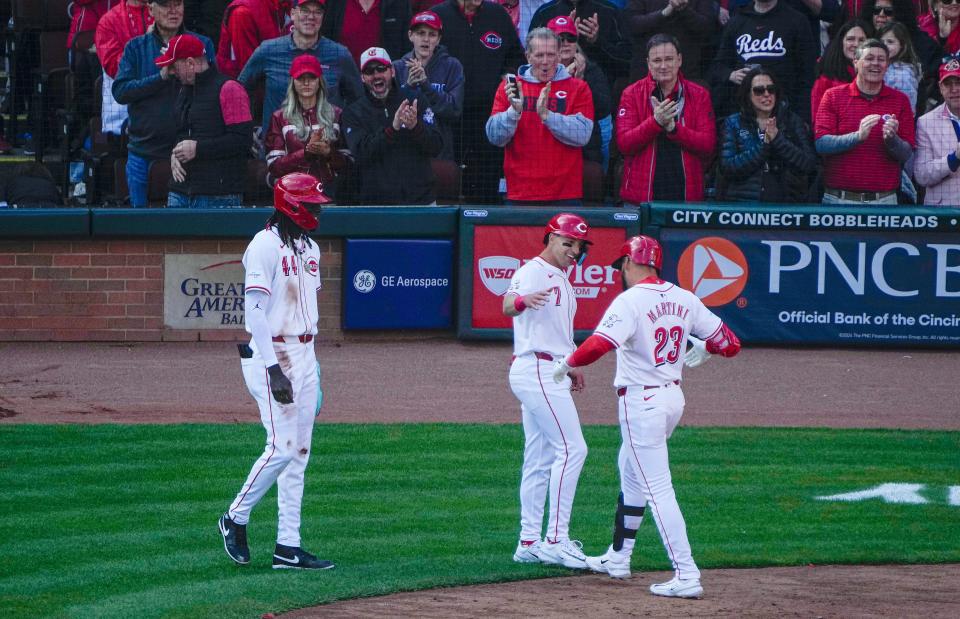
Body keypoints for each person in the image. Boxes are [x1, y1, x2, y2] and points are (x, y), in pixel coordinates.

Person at [551, 235, 741, 596]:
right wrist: (706, 348)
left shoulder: (630, 301)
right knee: (632, 474)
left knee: (658, 489)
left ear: (627, 263)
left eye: (620, 267)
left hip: (642, 404)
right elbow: (730, 343)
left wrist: (566, 363)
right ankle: (619, 557)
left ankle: (687, 575)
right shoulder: (685, 298)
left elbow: (598, 345)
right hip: (671, 400)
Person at [218, 171, 335, 571]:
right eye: (312, 205)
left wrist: (313, 367)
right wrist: (274, 370)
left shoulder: (310, 248)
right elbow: (254, 313)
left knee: (299, 454)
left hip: (305, 355)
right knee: (281, 447)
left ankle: (288, 547)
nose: (318, 210)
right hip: (273, 356)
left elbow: (305, 312)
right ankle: (235, 516)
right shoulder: (263, 245)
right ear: (292, 205)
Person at [505, 213, 592, 570]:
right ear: (550, 238)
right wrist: (524, 300)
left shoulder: (561, 277)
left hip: (548, 369)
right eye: (567, 242)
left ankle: (528, 542)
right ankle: (556, 539)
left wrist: (567, 364)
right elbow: (507, 305)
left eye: (578, 246)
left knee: (540, 460)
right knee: (573, 449)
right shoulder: (533, 271)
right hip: (535, 370)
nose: (574, 251)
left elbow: (554, 333)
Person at [113, 0, 216, 207]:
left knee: (188, 229)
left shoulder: (201, 44)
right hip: (144, 152)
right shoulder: (135, 47)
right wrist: (160, 78)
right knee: (141, 228)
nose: (173, 11)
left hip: (190, 153)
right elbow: (120, 92)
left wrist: (186, 72)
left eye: (177, 4)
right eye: (165, 5)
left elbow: (214, 90)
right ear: (150, 9)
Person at [486, 27, 594, 205]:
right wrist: (513, 112)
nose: (545, 61)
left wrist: (547, 116)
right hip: (519, 191)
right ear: (528, 56)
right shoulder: (510, 87)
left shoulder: (578, 88)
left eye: (551, 55)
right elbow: (494, 137)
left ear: (559, 55)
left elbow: (582, 135)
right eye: (539, 55)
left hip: (564, 193)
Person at [432, 0, 525, 203]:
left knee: (485, 183)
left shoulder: (498, 15)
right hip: (447, 114)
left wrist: (506, 76)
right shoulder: (438, 15)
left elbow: (517, 58)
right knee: (446, 180)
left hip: (487, 113)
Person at [239, 0, 364, 135]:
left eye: (317, 12)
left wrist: (348, 135)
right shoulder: (268, 50)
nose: (311, 17)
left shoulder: (340, 54)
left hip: (326, 148)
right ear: (292, 14)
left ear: (323, 17)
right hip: (278, 148)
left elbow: (358, 100)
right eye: (305, 10)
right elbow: (240, 90)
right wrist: (246, 131)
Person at [617, 34, 717, 204]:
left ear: (679, 60)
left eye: (669, 59)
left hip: (687, 198)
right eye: (657, 61)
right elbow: (624, 144)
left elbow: (708, 145)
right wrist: (655, 123)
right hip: (640, 200)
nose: (663, 66)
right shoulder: (631, 93)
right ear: (648, 64)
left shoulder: (700, 95)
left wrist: (674, 129)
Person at [815, 39, 916, 204]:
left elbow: (906, 153)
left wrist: (892, 140)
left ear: (887, 65)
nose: (875, 63)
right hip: (839, 200)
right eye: (869, 58)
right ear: (856, 62)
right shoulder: (833, 96)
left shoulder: (900, 100)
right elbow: (821, 144)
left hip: (884, 200)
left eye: (881, 59)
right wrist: (857, 137)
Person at [160, 34, 255, 207]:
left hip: (218, 194)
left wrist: (198, 149)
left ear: (190, 63)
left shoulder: (230, 89)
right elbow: (182, 133)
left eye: (174, 66)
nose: (171, 72)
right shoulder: (182, 90)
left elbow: (243, 141)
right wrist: (175, 153)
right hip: (179, 191)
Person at [341, 47, 443, 204]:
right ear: (362, 77)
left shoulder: (415, 99)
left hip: (421, 201)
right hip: (376, 206)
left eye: (381, 69)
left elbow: (436, 146)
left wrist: (415, 127)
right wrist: (392, 129)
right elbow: (361, 153)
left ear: (392, 71)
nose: (376, 75)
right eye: (369, 72)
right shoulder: (353, 112)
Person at [708, 0, 817, 124]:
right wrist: (731, 75)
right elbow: (718, 66)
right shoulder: (737, 21)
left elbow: (808, 73)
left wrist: (801, 117)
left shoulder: (797, 20)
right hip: (744, 111)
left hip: (785, 110)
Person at [719, 67, 818, 201]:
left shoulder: (792, 121)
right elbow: (728, 168)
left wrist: (778, 140)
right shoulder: (733, 123)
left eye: (771, 89)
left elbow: (808, 164)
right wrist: (764, 147)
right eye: (759, 91)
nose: (766, 94)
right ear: (748, 94)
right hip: (744, 205)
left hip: (786, 206)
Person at [265, 55, 350, 197]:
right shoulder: (279, 117)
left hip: (331, 195)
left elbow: (350, 163)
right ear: (293, 82)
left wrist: (329, 153)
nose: (306, 82)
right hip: (292, 196)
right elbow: (274, 166)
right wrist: (305, 153)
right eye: (300, 78)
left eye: (311, 77)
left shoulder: (337, 114)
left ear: (319, 81)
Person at [391, 11, 465, 161]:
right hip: (403, 153)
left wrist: (426, 85)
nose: (426, 39)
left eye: (432, 34)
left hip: (439, 154)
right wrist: (408, 87)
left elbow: (455, 110)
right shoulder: (397, 67)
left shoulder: (452, 66)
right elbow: (387, 111)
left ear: (438, 39)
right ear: (410, 35)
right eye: (420, 33)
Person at [548, 15, 611, 170]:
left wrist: (580, 82)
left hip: (586, 147)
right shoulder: (541, 72)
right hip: (550, 145)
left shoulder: (591, 69)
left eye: (570, 38)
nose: (566, 43)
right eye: (560, 39)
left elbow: (603, 108)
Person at [528, 0, 632, 85]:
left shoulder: (610, 11)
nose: (566, 41)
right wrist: (564, 36)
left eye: (569, 38)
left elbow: (626, 63)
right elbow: (531, 59)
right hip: (550, 89)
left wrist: (597, 41)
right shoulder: (545, 12)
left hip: (599, 89)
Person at [94, 0, 155, 136]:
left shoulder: (163, 14)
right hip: (122, 119)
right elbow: (115, 68)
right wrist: (146, 41)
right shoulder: (109, 21)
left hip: (161, 114)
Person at [621, 0, 716, 81]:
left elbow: (706, 28)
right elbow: (632, 25)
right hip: (645, 71)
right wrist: (663, 13)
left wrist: (684, 9)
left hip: (686, 70)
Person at [914, 56, 960, 203]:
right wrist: (953, 159)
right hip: (943, 210)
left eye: (959, 82)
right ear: (940, 88)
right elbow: (921, 175)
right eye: (948, 84)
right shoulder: (926, 122)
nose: (955, 89)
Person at [861, 0, 942, 80]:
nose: (881, 14)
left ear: (900, 13)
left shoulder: (921, 42)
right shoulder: (864, 37)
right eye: (877, 10)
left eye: (888, 11)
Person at [811, 19, 870, 120]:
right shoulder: (825, 79)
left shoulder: (876, 74)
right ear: (841, 42)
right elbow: (818, 118)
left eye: (861, 40)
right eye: (850, 39)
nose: (856, 44)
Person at [217, 0, 292, 78]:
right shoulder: (242, 12)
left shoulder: (286, 5)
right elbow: (249, 70)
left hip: (278, 76)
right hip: (242, 82)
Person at [321, 0, 413, 63]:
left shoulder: (399, 3)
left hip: (384, 85)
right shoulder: (334, 3)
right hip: (342, 85)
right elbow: (324, 41)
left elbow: (407, 48)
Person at [879, 21, 923, 110]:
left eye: (890, 42)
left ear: (902, 45)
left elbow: (907, 108)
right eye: (881, 41)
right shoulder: (883, 65)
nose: (884, 45)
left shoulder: (903, 75)